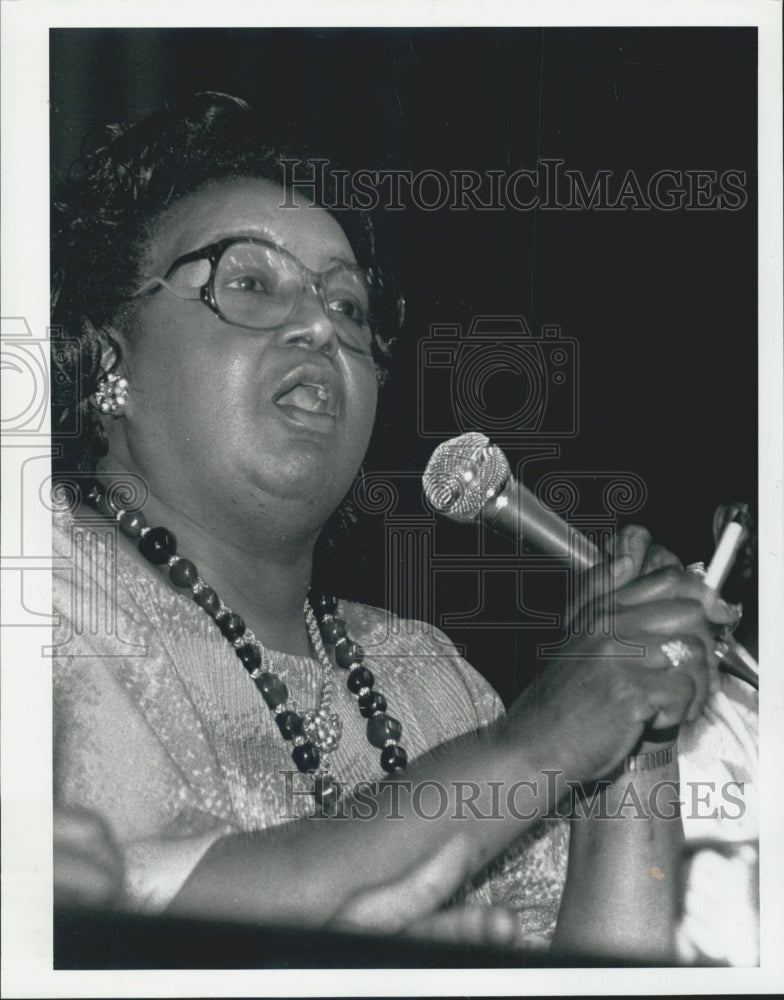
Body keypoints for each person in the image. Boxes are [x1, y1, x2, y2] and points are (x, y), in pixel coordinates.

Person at [50, 92, 755, 962]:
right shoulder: (41, 592)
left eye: (348, 308)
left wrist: (632, 735)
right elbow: (105, 925)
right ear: (106, 357)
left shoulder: (428, 678)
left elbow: (599, 969)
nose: (319, 325)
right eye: (249, 283)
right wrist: (539, 739)